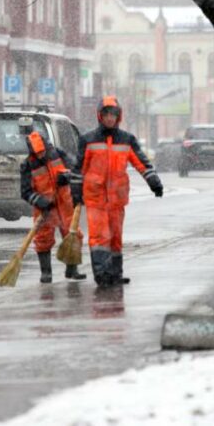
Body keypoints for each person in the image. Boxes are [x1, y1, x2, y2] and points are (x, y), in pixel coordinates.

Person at [70, 95, 164, 286]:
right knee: (99, 237)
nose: (110, 118)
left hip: (117, 199)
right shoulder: (88, 139)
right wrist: (76, 192)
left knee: (115, 237)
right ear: (100, 116)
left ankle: (115, 273)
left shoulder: (127, 140)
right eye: (106, 114)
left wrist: (153, 181)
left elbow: (141, 162)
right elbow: (79, 168)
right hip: (95, 198)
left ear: (118, 116)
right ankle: (101, 274)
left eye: (113, 114)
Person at [20, 131, 86, 283]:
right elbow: (25, 191)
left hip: (65, 202)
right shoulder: (27, 165)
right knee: (43, 238)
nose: (41, 155)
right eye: (38, 153)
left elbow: (74, 170)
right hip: (44, 207)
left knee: (73, 234)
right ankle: (46, 272)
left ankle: (72, 269)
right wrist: (40, 201)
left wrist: (66, 177)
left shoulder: (58, 154)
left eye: (43, 151)